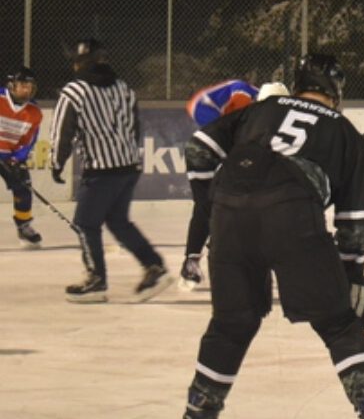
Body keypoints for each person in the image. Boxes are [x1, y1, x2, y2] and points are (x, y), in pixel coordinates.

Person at [180, 54, 364, 418]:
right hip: (292, 212)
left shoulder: (265, 107)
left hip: (230, 212)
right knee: (339, 323)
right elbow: (354, 219)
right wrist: (352, 279)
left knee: (231, 325)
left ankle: (198, 411)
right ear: (335, 89)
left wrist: (211, 209)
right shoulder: (345, 132)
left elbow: (199, 147)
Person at [51, 38, 173, 303]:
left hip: (100, 170)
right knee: (118, 221)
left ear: (81, 63)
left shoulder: (74, 92)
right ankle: (154, 266)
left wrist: (56, 162)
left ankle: (96, 279)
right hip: (128, 165)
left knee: (85, 224)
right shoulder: (123, 87)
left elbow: (63, 130)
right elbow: (135, 126)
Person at [181, 80, 288, 290]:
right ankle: (218, 257)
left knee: (209, 205)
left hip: (205, 146)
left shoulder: (256, 109)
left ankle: (198, 259)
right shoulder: (252, 107)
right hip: (208, 150)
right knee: (218, 205)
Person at [0, 67, 44, 248]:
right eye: (22, 86)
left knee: (24, 190)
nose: (27, 90)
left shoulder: (34, 112)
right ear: (11, 85)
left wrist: (18, 159)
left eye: (29, 86)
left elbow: (28, 141)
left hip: (10, 156)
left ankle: (24, 227)